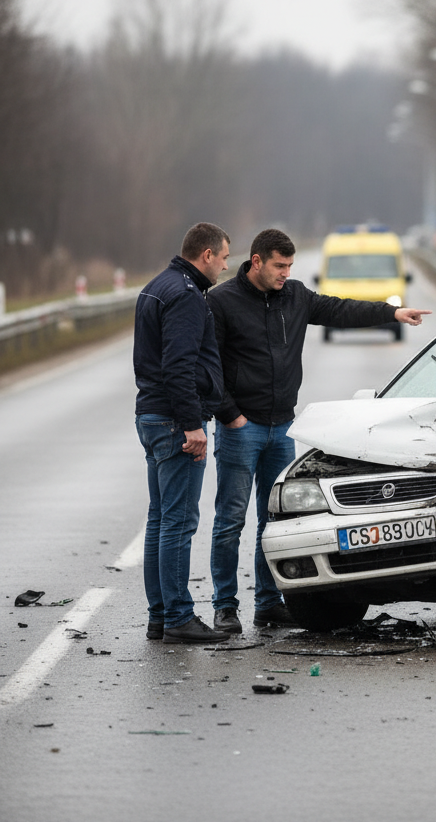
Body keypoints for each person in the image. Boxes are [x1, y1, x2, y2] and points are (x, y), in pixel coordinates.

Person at [207, 228, 431, 632]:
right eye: (279, 266)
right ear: (256, 261)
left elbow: (339, 310)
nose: (286, 273)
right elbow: (208, 364)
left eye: (290, 266)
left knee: (274, 521)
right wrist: (229, 415)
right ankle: (225, 607)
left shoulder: (294, 297)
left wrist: (391, 313)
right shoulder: (221, 301)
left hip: (282, 428)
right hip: (241, 428)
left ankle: (267, 602)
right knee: (230, 520)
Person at [134, 222, 233, 644]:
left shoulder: (157, 285)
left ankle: (160, 615)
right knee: (178, 521)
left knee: (160, 519)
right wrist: (193, 424)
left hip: (151, 416)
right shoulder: (187, 296)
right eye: (225, 257)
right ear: (206, 254)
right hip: (176, 421)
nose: (226, 266)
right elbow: (178, 366)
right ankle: (177, 616)